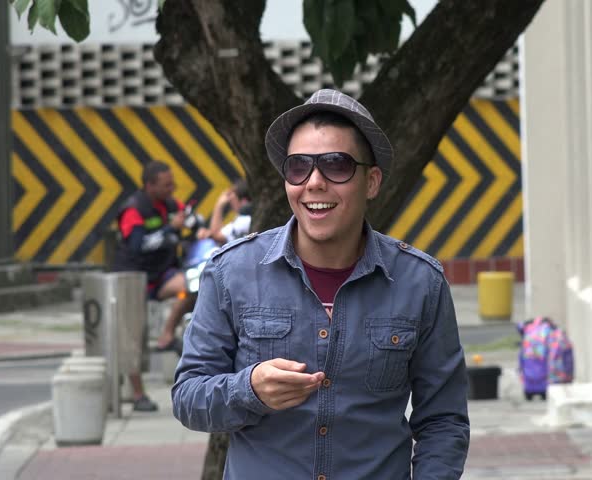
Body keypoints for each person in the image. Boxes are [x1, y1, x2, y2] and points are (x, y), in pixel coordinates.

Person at [172, 89, 469, 479]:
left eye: (336, 165)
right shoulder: (232, 272)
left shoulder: (419, 282)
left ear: (372, 181)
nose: (314, 182)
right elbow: (188, 397)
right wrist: (249, 389)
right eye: (298, 167)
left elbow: (444, 420)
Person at [113, 160, 188, 412]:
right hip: (132, 278)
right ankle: (137, 395)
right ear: (149, 185)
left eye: (172, 183)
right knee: (132, 335)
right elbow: (137, 246)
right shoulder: (133, 210)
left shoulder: (170, 204)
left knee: (192, 286)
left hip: (162, 274)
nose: (172, 188)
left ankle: (167, 335)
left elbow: (189, 217)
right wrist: (170, 230)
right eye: (166, 185)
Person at [197, 178, 253, 245]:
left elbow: (217, 235)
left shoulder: (245, 220)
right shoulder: (246, 218)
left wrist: (219, 204)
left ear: (244, 202)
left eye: (232, 198)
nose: (229, 201)